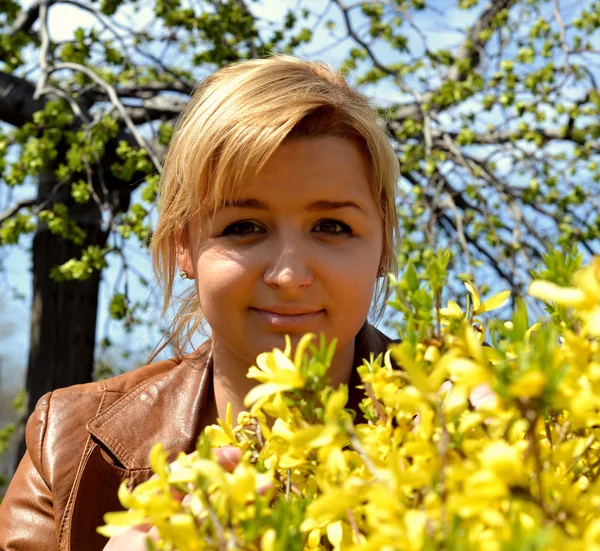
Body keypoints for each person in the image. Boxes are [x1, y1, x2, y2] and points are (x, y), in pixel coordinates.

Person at [0, 54, 400, 551]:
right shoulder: (68, 446)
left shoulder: (481, 423)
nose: (290, 275)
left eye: (332, 227)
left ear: (383, 246)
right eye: (244, 228)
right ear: (182, 246)